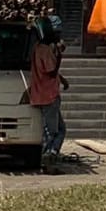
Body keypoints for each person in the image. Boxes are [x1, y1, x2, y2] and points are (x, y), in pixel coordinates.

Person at [29, 16, 69, 172]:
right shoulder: (45, 50)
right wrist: (59, 55)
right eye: (57, 33)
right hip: (48, 96)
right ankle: (48, 160)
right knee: (51, 132)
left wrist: (63, 80)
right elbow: (51, 71)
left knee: (61, 129)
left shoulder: (38, 47)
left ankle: (52, 155)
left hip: (43, 93)